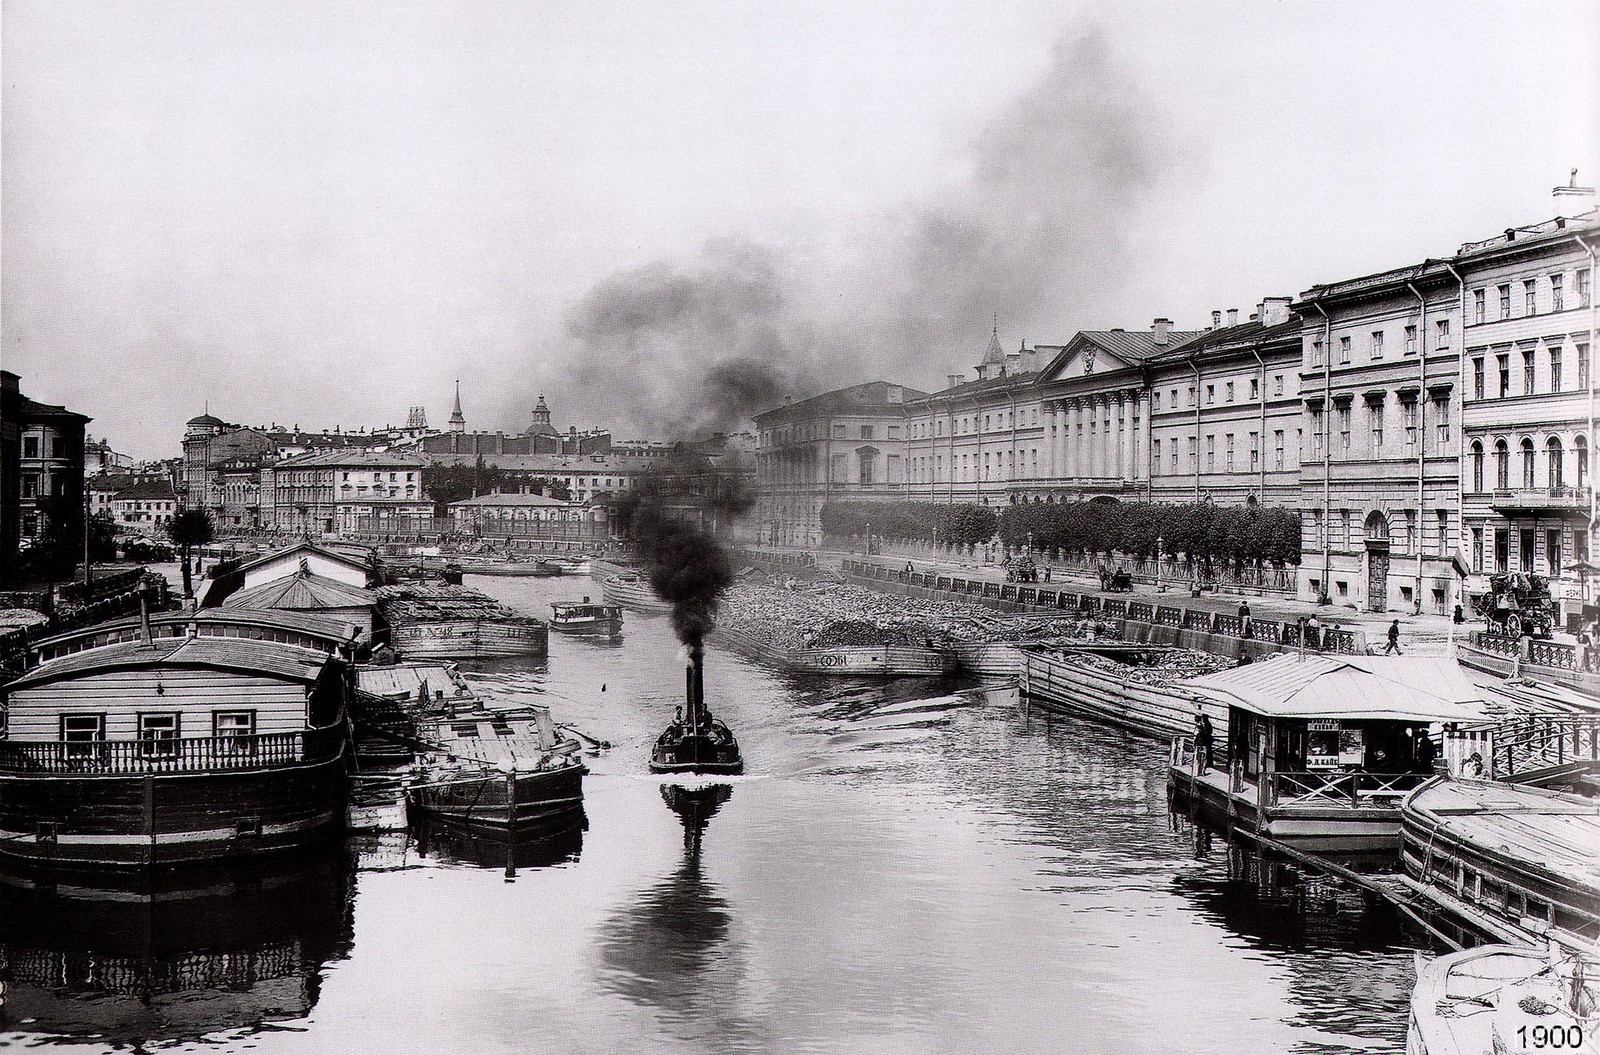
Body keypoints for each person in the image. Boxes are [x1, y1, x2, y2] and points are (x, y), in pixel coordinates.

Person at [1193, 709, 1214, 775]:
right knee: (1207, 752)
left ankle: (1202, 764)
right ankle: (1206, 763)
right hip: (1205, 740)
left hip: (1203, 741)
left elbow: (1204, 733)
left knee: (1204, 752)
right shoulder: (1206, 724)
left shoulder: (1203, 725)